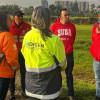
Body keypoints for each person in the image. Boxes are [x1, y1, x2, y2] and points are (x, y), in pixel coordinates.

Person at [21, 6, 66, 100]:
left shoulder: (27, 36)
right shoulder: (54, 39)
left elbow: (25, 55)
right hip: (50, 89)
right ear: (48, 19)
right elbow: (63, 64)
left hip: (31, 87)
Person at [50, 8, 76, 100]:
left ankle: (71, 94)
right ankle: (57, 93)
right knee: (57, 76)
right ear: (60, 16)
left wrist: (67, 49)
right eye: (65, 15)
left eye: (68, 14)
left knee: (69, 75)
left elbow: (72, 39)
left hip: (69, 55)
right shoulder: (54, 26)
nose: (68, 16)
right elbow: (51, 41)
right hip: (57, 56)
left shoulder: (72, 26)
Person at [9, 10, 31, 99]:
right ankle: (12, 93)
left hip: (23, 54)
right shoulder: (9, 27)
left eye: (21, 16)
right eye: (18, 16)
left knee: (24, 73)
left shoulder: (28, 27)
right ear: (14, 17)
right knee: (12, 74)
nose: (20, 18)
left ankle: (24, 91)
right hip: (13, 54)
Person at [0, 13, 19, 100]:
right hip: (3, 73)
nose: (11, 21)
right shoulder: (7, 36)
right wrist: (16, 67)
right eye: (8, 19)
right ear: (3, 22)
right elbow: (11, 58)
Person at [90, 9, 100, 100]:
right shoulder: (95, 27)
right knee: (97, 79)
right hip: (96, 59)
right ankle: (98, 95)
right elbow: (94, 41)